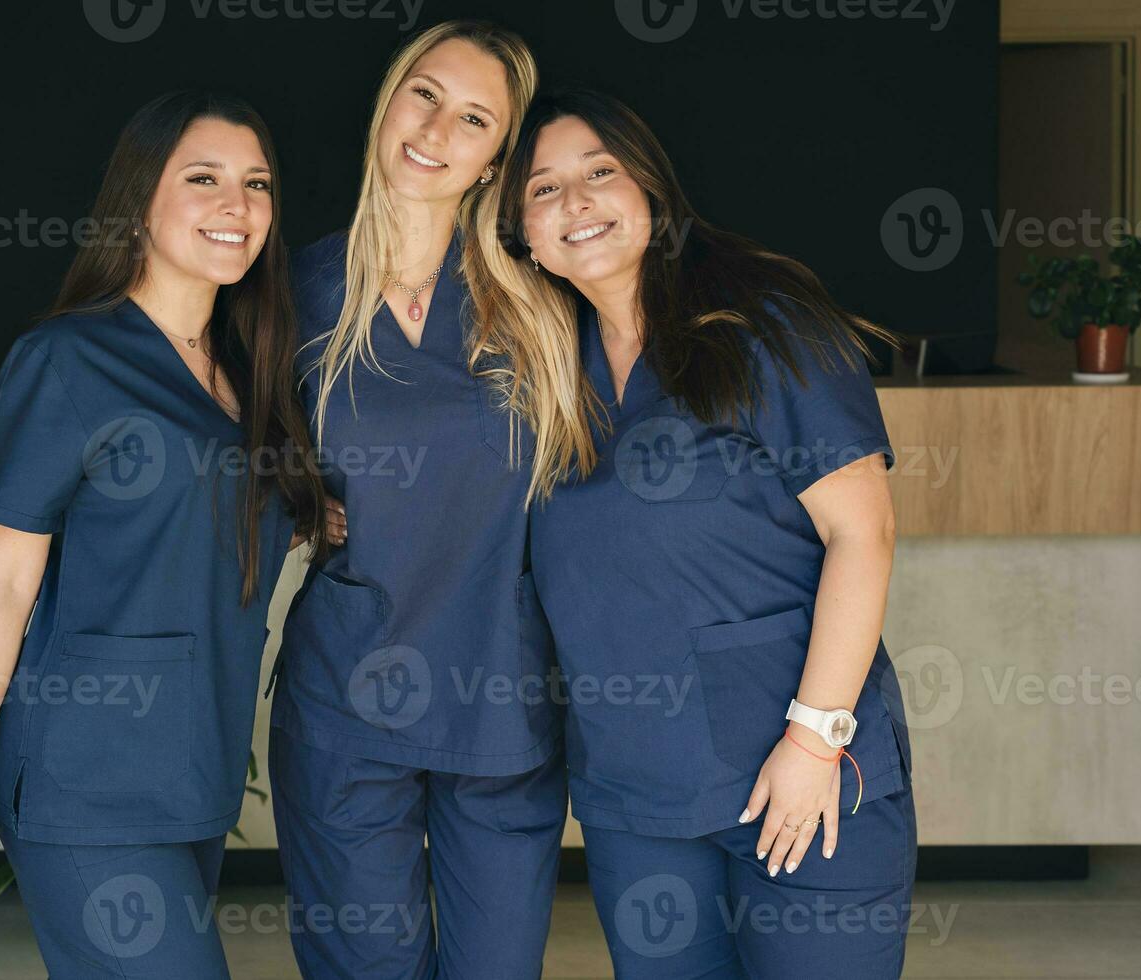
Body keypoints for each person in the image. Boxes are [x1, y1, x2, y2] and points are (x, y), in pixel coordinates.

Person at [499, 86, 917, 979]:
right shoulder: (539, 369)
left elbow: (864, 534)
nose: (576, 202)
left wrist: (812, 742)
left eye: (600, 172)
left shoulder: (764, 322)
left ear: (650, 186)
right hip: (635, 798)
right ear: (519, 233)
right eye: (542, 189)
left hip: (802, 778)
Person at [0, 90, 326, 979]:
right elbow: (0, 585)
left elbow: (217, 525)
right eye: (205, 179)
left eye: (257, 184)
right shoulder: (67, 360)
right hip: (85, 779)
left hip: (195, 770)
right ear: (140, 199)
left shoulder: (245, 370)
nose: (239, 206)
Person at [266, 21, 594, 980]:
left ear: (497, 159)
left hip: (502, 699)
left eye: (474, 119)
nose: (436, 129)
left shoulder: (541, 306)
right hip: (345, 699)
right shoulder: (295, 292)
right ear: (388, 98)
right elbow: (224, 452)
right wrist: (286, 498)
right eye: (424, 93)